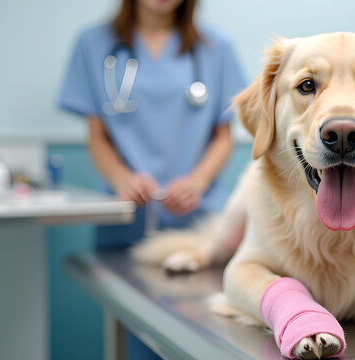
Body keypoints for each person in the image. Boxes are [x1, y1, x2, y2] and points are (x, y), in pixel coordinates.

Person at [58, 0, 244, 358]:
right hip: (125, 221)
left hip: (200, 228)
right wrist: (121, 178)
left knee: (203, 340)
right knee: (133, 341)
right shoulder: (94, 44)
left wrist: (198, 182)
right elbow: (97, 135)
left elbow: (224, 135)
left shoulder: (215, 48)